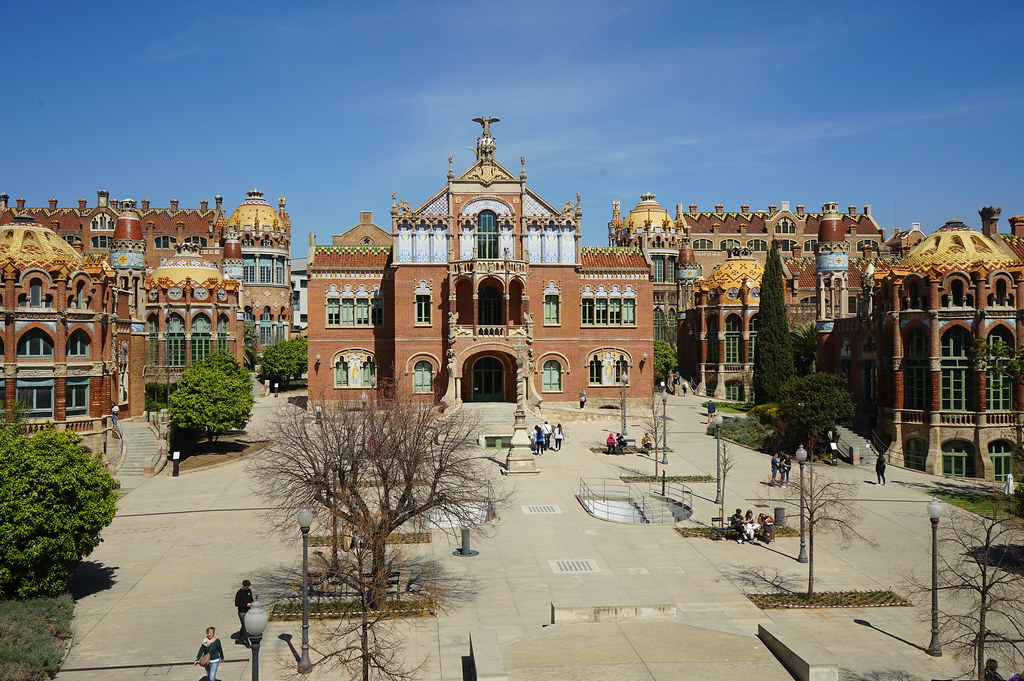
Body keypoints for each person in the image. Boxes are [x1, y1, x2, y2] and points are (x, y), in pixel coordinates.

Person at [234, 580, 254, 645]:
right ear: (244, 586)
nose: (248, 588)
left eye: (249, 586)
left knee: (245, 625)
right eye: (247, 587)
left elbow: (251, 598)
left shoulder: (249, 591)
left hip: (248, 611)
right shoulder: (239, 593)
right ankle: (246, 641)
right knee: (245, 626)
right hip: (242, 611)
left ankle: (239, 639)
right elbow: (237, 604)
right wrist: (246, 604)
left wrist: (252, 602)